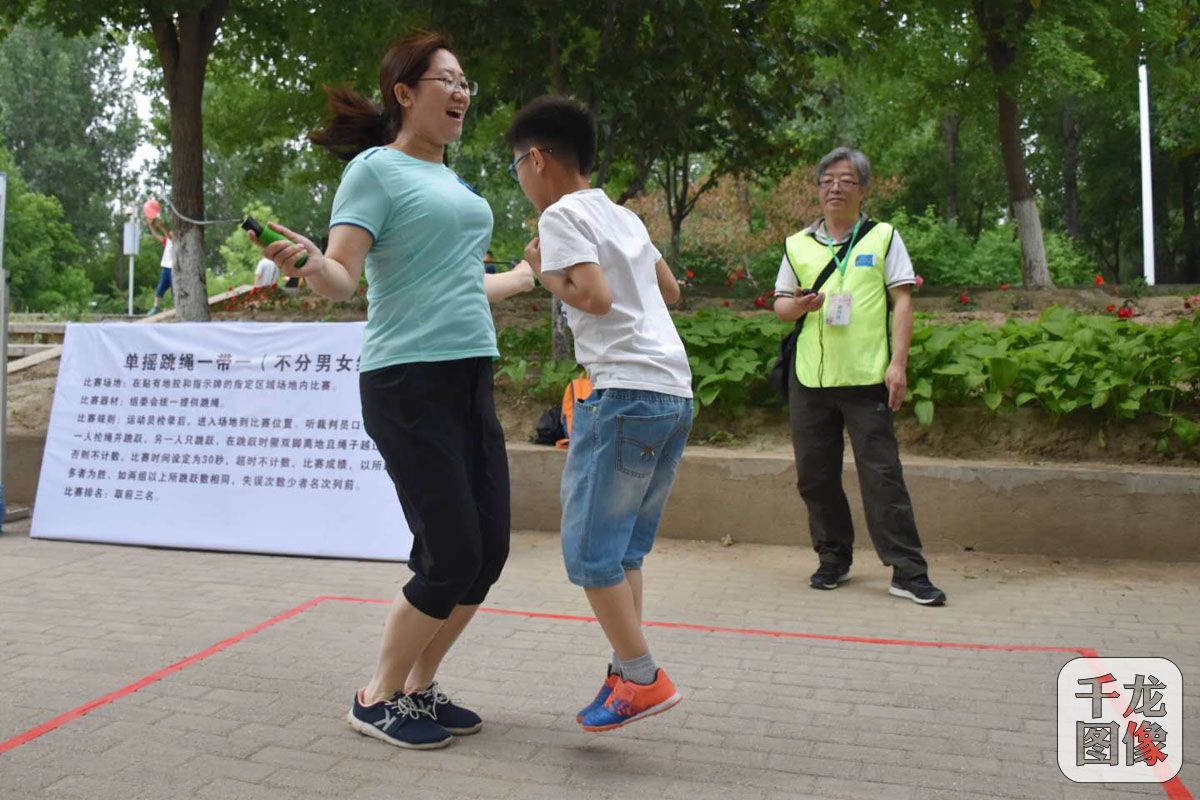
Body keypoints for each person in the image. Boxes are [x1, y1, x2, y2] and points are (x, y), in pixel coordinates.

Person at [253, 32, 535, 751]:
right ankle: (375, 695)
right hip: (408, 380)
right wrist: (308, 263)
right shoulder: (375, 171)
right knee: (450, 552)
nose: (462, 92)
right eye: (447, 80)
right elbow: (343, 277)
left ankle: (417, 686)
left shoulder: (454, 183)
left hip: (469, 373)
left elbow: (464, 283)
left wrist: (529, 274)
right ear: (405, 94)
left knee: (489, 551)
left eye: (466, 82)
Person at [506, 96, 693, 731]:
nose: (521, 179)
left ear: (537, 160)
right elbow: (670, 290)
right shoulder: (623, 215)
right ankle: (623, 674)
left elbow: (593, 295)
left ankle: (642, 677)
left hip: (624, 394)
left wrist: (542, 271)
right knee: (624, 551)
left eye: (516, 167)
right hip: (673, 392)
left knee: (589, 553)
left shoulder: (560, 214)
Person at [773, 146, 946, 606]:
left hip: (867, 376)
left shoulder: (883, 238)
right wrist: (799, 306)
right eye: (827, 180)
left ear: (863, 190)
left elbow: (902, 301)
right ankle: (833, 558)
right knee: (815, 477)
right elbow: (780, 306)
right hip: (810, 378)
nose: (835, 188)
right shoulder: (797, 244)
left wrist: (898, 364)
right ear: (818, 189)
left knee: (882, 476)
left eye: (846, 180)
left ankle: (908, 571)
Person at [147, 216, 174, 315]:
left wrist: (161, 226)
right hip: (166, 269)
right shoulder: (167, 241)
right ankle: (156, 307)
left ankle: (176, 308)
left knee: (175, 291)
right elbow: (155, 234)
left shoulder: (176, 241)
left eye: (172, 231)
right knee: (160, 288)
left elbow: (169, 235)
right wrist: (150, 225)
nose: (171, 232)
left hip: (174, 270)